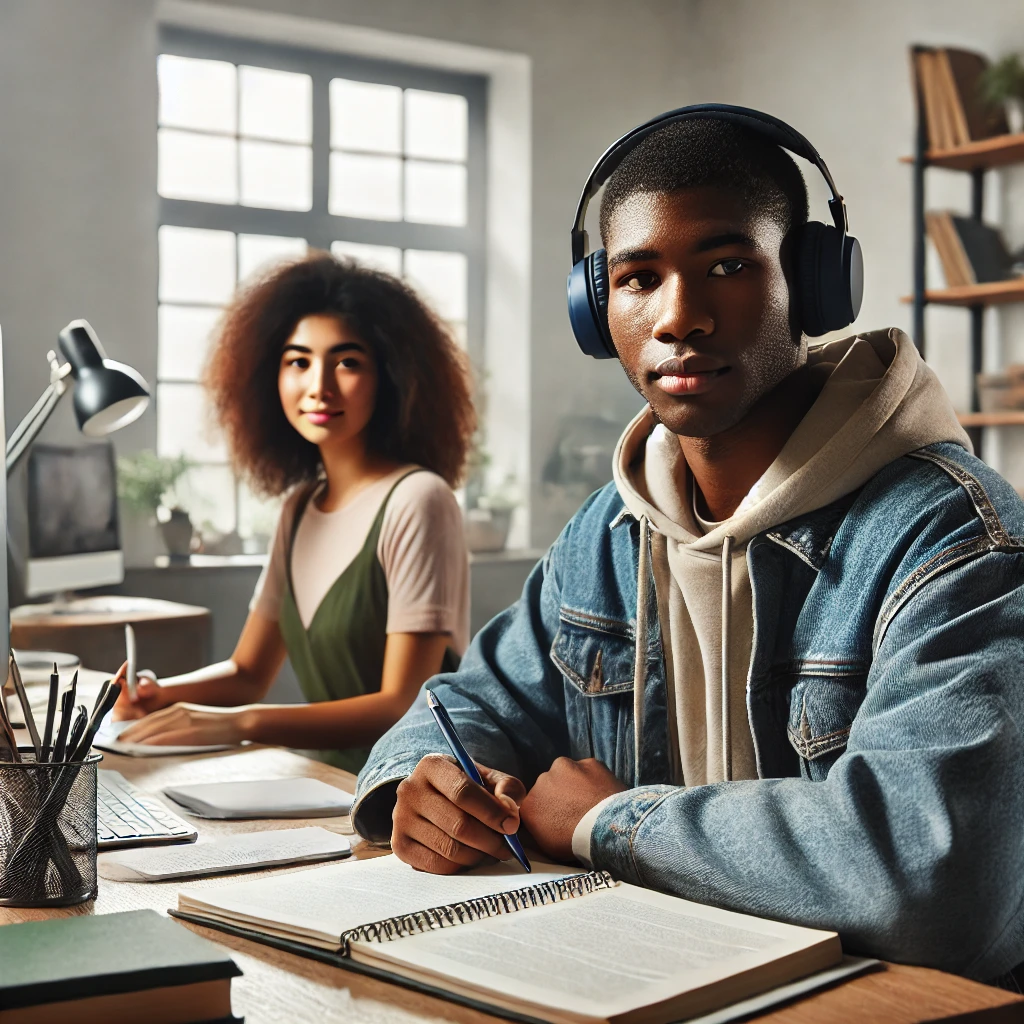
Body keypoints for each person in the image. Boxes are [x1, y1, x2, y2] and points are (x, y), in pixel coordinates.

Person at [350, 110, 1024, 980]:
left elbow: (929, 877)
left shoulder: (954, 540)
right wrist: (430, 780)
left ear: (816, 285)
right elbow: (469, 701)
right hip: (661, 978)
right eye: (637, 278)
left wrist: (609, 823)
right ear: (596, 309)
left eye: (728, 266)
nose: (680, 317)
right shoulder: (607, 532)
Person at [112, 253, 475, 773]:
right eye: (298, 361)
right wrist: (159, 694)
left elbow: (401, 703)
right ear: (270, 375)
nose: (318, 386)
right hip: (325, 783)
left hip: (410, 794)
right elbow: (247, 671)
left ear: (390, 376)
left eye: (347, 362)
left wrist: (240, 723)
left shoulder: (419, 499)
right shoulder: (299, 509)